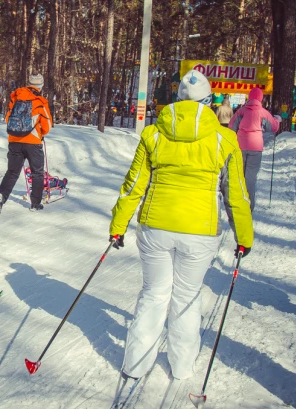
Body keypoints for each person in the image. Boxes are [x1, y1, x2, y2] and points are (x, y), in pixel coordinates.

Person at [108, 70, 253, 381]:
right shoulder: (225, 139)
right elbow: (236, 193)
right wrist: (244, 236)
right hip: (200, 230)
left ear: (177, 100)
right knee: (186, 296)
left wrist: (118, 225)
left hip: (155, 226)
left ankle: (135, 366)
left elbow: (133, 185)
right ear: (209, 102)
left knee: (154, 293)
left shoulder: (153, 134)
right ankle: (182, 367)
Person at [0, 73, 53, 214]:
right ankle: (35, 204)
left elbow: (8, 119)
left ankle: (1, 197)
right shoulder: (40, 101)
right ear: (41, 86)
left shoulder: (16, 97)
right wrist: (40, 133)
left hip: (14, 141)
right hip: (33, 142)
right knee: (37, 172)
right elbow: (47, 125)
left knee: (12, 172)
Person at [228, 87, 281, 211]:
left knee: (239, 175)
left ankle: (238, 202)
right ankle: (249, 206)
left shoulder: (241, 111)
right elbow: (273, 128)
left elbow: (231, 126)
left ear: (249, 97)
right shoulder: (263, 113)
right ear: (260, 99)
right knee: (250, 177)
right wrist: (277, 120)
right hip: (256, 148)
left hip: (241, 146)